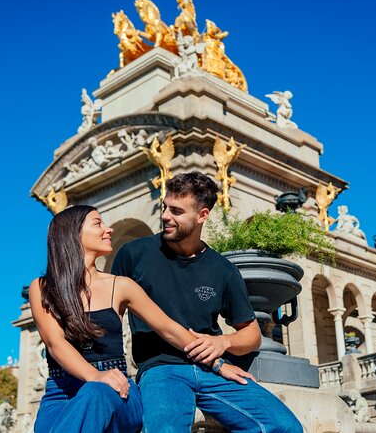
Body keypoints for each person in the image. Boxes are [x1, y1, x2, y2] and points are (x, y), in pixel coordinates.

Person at [30, 205, 252, 433]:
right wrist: (95, 376)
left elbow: (169, 329)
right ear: (72, 233)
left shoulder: (121, 285)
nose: (109, 229)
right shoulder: (42, 287)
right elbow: (55, 343)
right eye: (98, 224)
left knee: (95, 392)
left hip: (119, 391)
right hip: (61, 392)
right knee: (87, 396)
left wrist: (218, 363)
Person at [111, 171, 304, 433]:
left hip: (216, 371)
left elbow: (252, 334)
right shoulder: (133, 255)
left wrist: (223, 342)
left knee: (285, 426)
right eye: (165, 207)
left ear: (202, 215)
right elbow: (111, 318)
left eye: (177, 211)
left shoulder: (223, 269)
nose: (166, 216)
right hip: (161, 369)